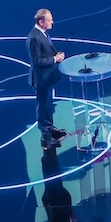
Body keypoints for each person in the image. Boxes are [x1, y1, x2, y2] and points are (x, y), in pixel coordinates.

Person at [27, 9, 67, 150]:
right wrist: (54, 59)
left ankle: (50, 129)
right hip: (41, 79)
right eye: (50, 20)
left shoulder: (42, 34)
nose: (52, 22)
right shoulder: (34, 38)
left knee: (49, 106)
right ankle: (46, 137)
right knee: (43, 107)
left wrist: (56, 55)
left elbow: (46, 52)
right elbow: (37, 61)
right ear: (41, 22)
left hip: (48, 78)